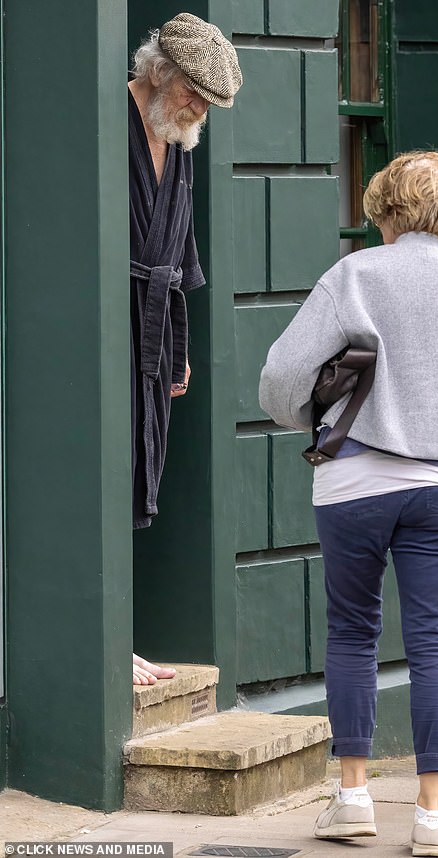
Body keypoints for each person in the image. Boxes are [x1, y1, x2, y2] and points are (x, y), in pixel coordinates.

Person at [259, 151, 438, 857]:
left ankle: (352, 798)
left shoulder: (352, 275)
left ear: (382, 208)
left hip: (353, 479)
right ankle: (433, 816)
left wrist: (309, 415)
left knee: (353, 632)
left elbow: (280, 378)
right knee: (434, 642)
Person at [128, 13, 242, 686]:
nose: (200, 109)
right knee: (105, 479)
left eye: (208, 99)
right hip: (110, 328)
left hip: (155, 329)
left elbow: (182, 245)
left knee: (141, 478)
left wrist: (181, 348)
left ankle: (122, 635)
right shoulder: (110, 120)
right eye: (194, 92)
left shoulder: (179, 140)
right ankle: (108, 641)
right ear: (160, 72)